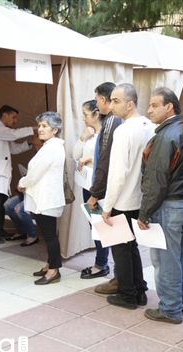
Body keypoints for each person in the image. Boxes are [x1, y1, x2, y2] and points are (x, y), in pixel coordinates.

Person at [137, 87, 183, 324]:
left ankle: (170, 309)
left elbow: (156, 179)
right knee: (179, 257)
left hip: (169, 206)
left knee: (165, 260)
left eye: (154, 105)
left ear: (169, 107)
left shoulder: (165, 136)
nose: (149, 110)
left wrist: (144, 214)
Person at [101, 83, 155, 310]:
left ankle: (127, 295)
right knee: (131, 247)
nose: (112, 105)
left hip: (123, 199)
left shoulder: (123, 130)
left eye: (116, 101)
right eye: (111, 100)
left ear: (130, 104)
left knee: (121, 250)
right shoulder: (151, 127)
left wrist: (107, 206)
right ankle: (139, 291)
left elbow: (117, 173)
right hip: (141, 198)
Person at [18, 111, 66, 285]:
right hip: (46, 197)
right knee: (49, 234)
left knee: (50, 236)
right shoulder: (53, 146)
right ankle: (49, 265)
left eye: (44, 126)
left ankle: (53, 271)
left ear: (55, 130)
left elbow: (34, 173)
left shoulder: (51, 148)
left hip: (46, 199)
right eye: (39, 126)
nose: (40, 129)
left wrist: (23, 181)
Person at [87, 82, 124, 293]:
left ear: (104, 100)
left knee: (119, 241)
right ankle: (124, 282)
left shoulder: (111, 122)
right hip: (119, 190)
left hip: (113, 191)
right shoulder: (122, 122)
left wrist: (95, 193)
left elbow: (105, 161)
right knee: (123, 242)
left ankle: (121, 283)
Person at [73, 99, 110, 279]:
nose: (84, 119)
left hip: (100, 187)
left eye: (86, 115)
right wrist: (82, 138)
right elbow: (74, 155)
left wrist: (90, 159)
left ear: (96, 114)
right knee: (94, 225)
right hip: (87, 184)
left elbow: (107, 161)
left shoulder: (106, 134)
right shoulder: (91, 135)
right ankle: (101, 262)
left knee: (102, 225)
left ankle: (101, 264)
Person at [0, 105, 36, 244]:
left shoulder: (4, 132)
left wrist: (28, 142)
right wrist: (34, 128)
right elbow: (15, 134)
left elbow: (14, 149)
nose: (15, 121)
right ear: (4, 115)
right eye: (13, 117)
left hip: (1, 175)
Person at [4, 134, 44, 247]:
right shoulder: (35, 154)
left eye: (37, 136)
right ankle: (21, 230)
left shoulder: (43, 155)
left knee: (19, 208)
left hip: (35, 192)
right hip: (27, 190)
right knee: (8, 205)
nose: (34, 136)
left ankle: (32, 235)